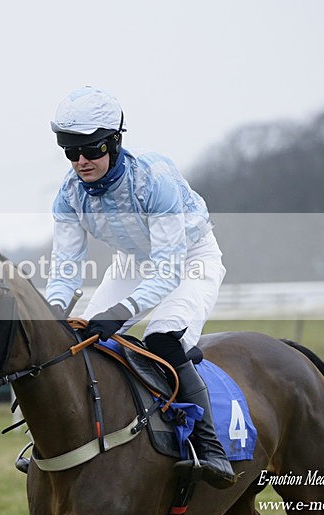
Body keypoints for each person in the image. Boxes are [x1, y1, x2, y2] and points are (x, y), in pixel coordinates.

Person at [45, 86, 236, 489]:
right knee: (81, 339)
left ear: (115, 142)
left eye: (91, 149)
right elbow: (65, 272)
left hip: (190, 259)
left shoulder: (154, 178)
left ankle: (210, 446)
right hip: (131, 264)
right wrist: (51, 315)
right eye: (70, 152)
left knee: (162, 338)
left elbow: (167, 271)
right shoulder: (68, 195)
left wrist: (119, 314)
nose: (81, 162)